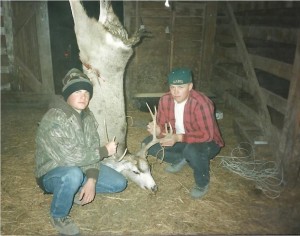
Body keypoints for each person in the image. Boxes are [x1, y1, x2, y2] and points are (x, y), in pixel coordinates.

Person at [35, 68, 127, 235]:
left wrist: (91, 180)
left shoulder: (87, 117)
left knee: (119, 184)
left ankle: (74, 189)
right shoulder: (54, 118)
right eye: (77, 91)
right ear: (67, 95)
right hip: (52, 172)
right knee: (72, 175)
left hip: (79, 166)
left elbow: (90, 149)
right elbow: (69, 157)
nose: (83, 96)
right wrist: (104, 151)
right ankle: (59, 216)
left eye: (86, 92)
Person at [143, 68, 224, 199]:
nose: (175, 92)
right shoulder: (165, 100)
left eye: (181, 87)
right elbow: (163, 126)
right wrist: (158, 130)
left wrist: (178, 137)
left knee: (192, 151)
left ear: (190, 86)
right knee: (147, 144)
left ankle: (202, 182)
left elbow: (206, 135)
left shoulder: (201, 103)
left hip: (207, 142)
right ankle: (181, 159)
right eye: (172, 87)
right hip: (180, 139)